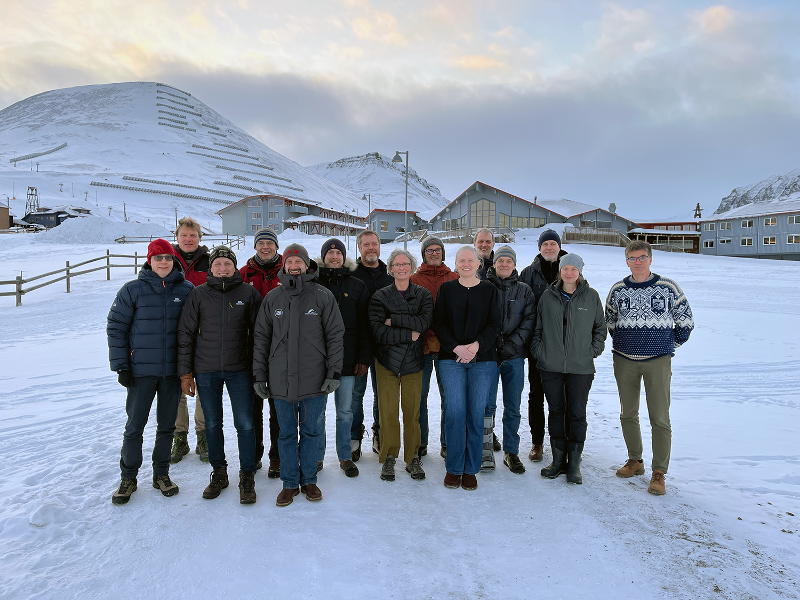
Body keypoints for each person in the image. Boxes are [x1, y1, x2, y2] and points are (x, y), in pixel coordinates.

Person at [252, 244, 344, 507]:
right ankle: (290, 482)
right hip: (279, 378)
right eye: (290, 261)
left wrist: (333, 371)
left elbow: (336, 336)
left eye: (299, 261)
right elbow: (261, 338)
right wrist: (259, 374)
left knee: (312, 430)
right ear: (284, 265)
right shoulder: (273, 298)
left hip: (315, 377)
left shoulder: (323, 296)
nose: (294, 265)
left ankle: (309, 479)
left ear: (306, 264)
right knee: (286, 434)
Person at [107, 239, 193, 505]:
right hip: (140, 372)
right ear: (149, 261)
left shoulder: (187, 289)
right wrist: (121, 365)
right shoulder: (132, 290)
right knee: (135, 427)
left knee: (167, 426)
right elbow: (116, 327)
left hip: (170, 373)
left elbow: (192, 332)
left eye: (168, 258)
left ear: (174, 260)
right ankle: (129, 477)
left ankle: (161, 474)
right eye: (158, 258)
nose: (164, 263)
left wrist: (187, 369)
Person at [605, 241, 694, 496]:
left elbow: (686, 322)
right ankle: (635, 460)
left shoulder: (667, 288)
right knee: (628, 413)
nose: (638, 262)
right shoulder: (618, 290)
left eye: (642, 257)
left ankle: (659, 472)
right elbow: (610, 321)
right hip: (624, 360)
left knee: (659, 417)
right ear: (626, 261)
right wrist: (625, 342)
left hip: (658, 361)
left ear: (651, 259)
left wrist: (667, 344)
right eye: (633, 258)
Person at [177, 246, 263, 503]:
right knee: (213, 423)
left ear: (234, 267)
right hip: (206, 370)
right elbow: (186, 334)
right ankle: (219, 471)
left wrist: (259, 370)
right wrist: (185, 373)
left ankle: (247, 474)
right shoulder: (198, 295)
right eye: (218, 264)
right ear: (211, 268)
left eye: (227, 264)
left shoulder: (248, 293)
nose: (223, 268)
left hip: (240, 369)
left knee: (245, 423)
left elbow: (260, 335)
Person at [530, 254, 606, 485]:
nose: (569, 273)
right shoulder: (548, 296)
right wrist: (540, 351)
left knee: (576, 413)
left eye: (574, 269)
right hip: (550, 365)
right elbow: (537, 328)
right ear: (560, 271)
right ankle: (557, 461)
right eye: (566, 268)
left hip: (581, 367)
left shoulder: (591, 296)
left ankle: (574, 464)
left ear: (580, 271)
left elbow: (600, 329)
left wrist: (590, 351)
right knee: (556, 411)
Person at [434, 246, 501, 491]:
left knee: (475, 413)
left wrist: (475, 345)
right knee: (454, 412)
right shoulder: (447, 289)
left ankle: (471, 468)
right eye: (461, 260)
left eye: (470, 260)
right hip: (451, 360)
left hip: (483, 360)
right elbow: (439, 322)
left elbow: (495, 323)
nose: (466, 264)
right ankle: (453, 468)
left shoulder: (490, 290)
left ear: (478, 264)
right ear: (455, 263)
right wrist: (456, 348)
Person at [369, 249, 433, 482]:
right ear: (391, 268)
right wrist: (409, 333)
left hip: (414, 362)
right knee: (387, 412)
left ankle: (413, 456)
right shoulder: (380, 296)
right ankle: (388, 456)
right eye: (397, 264)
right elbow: (377, 331)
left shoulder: (423, 295)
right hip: (386, 361)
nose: (402, 268)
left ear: (412, 267)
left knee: (412, 411)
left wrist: (394, 320)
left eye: (406, 264)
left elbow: (424, 323)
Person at [315, 238, 371, 478]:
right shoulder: (313, 283)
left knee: (345, 411)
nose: (334, 256)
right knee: (317, 413)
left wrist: (364, 357)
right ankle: (316, 456)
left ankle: (345, 455)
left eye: (339, 252)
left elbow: (366, 326)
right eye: (330, 252)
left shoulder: (357, 285)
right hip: (318, 360)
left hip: (348, 358)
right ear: (324, 256)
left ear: (344, 256)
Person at [483, 246, 535, 474]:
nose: (504, 264)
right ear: (494, 263)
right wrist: (492, 344)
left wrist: (511, 344)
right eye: (500, 260)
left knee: (513, 405)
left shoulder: (524, 290)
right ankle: (485, 448)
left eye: (509, 261)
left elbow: (529, 320)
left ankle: (511, 452)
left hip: (514, 356)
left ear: (514, 264)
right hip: (489, 355)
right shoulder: (483, 287)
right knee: (487, 405)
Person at [519, 229, 568, 462]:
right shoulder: (528, 273)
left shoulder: (569, 270)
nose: (549, 247)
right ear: (539, 248)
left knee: (562, 396)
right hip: (537, 346)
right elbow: (521, 309)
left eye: (553, 244)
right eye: (545, 244)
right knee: (536, 394)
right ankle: (537, 442)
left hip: (565, 346)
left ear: (559, 247)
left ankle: (562, 441)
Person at [240, 227, 283, 479]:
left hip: (280, 351)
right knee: (253, 407)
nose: (265, 247)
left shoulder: (286, 272)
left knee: (278, 408)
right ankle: (254, 455)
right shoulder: (243, 274)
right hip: (249, 350)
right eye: (261, 243)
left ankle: (276, 457)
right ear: (255, 246)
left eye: (270, 243)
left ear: (276, 246)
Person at [410, 235, 458, 458]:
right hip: (420, 349)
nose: (434, 253)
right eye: (429, 250)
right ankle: (420, 442)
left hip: (448, 350)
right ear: (423, 254)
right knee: (419, 398)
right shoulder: (414, 279)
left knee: (449, 398)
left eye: (438, 249)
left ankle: (448, 442)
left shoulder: (455, 278)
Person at [170, 216, 209, 464]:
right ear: (177, 237)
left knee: (204, 385)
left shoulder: (210, 261)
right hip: (173, 332)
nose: (188, 239)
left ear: (199, 238)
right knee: (177, 388)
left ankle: (203, 435)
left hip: (205, 333)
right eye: (184, 235)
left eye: (192, 235)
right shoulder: (165, 260)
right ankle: (179, 437)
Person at [350, 230, 393, 457]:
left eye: (374, 244)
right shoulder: (352, 275)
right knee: (356, 394)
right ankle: (354, 436)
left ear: (379, 246)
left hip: (385, 346)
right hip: (358, 347)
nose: (370, 248)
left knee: (382, 394)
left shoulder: (390, 276)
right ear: (359, 248)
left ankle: (379, 432)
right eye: (366, 244)